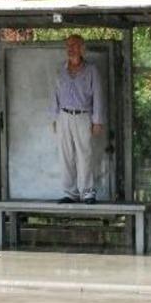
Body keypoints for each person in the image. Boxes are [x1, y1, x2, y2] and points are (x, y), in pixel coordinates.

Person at [50, 34, 105, 204]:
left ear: (82, 48)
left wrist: (97, 121)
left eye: (74, 45)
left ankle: (87, 192)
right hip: (64, 116)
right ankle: (70, 193)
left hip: (83, 116)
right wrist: (54, 117)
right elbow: (54, 94)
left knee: (85, 154)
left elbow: (98, 95)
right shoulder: (60, 70)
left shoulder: (91, 70)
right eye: (68, 45)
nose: (70, 49)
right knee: (65, 155)